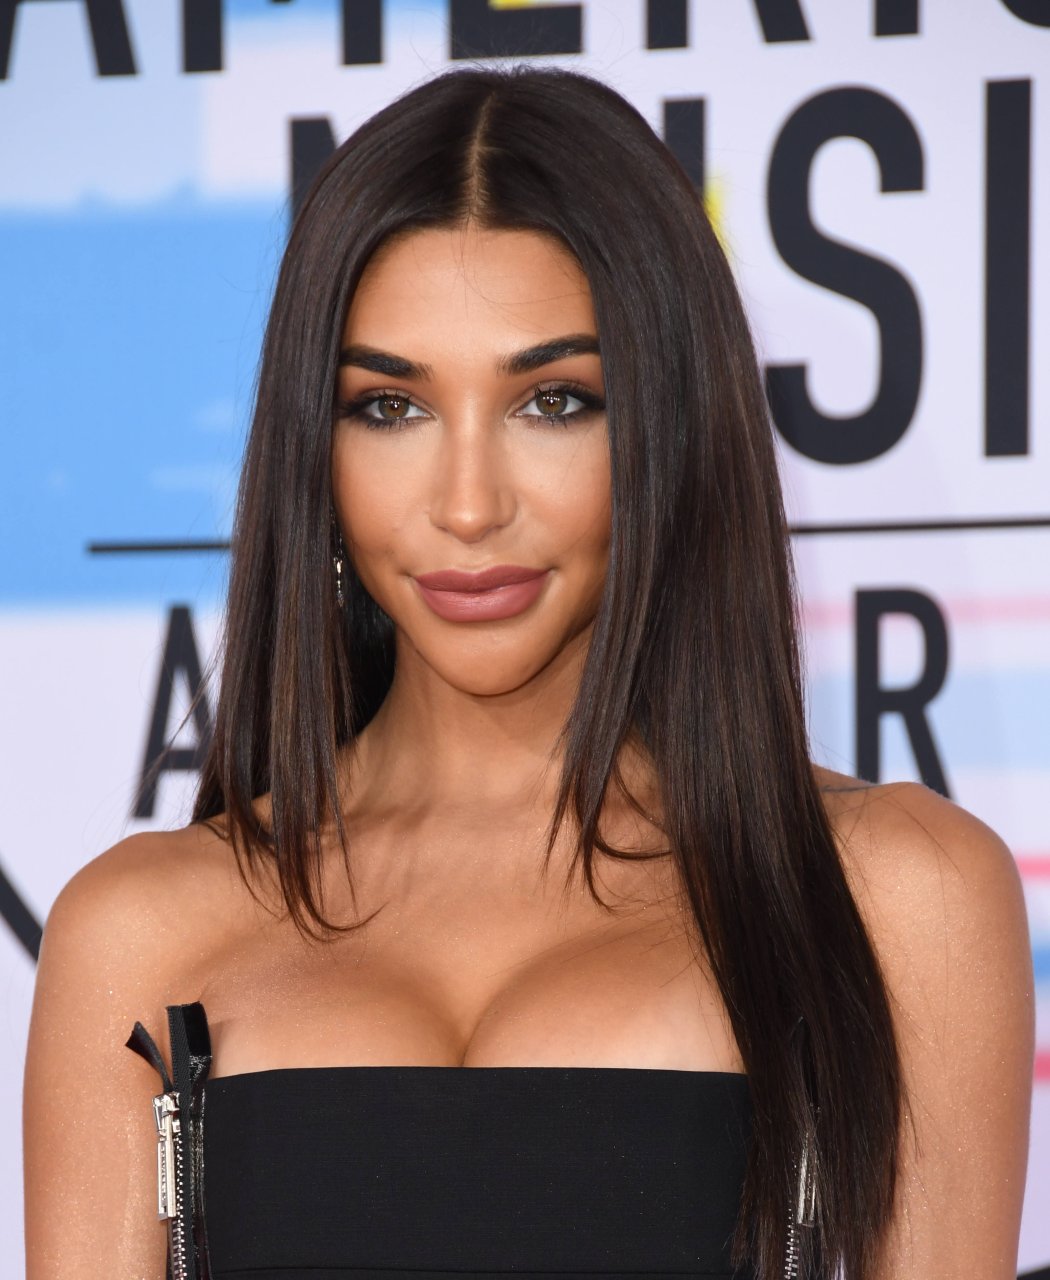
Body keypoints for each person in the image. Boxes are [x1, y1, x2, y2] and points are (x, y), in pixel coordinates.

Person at [23, 65, 1033, 1280]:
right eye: (389, 407)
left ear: (669, 426)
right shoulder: (141, 929)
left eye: (554, 401)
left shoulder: (893, 896)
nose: (468, 505)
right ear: (313, 451)